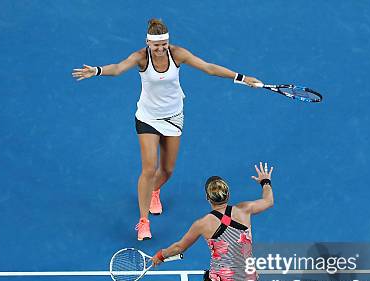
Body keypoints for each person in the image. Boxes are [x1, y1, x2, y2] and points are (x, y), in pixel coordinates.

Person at [73, 18, 261, 240]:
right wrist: (96, 71)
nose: (161, 49)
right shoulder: (140, 57)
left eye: (164, 44)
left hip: (173, 117)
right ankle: (143, 221)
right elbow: (117, 68)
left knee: (168, 170)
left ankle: (153, 191)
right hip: (148, 118)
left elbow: (208, 68)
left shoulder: (178, 54)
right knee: (149, 169)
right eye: (156, 45)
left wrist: (241, 78)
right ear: (148, 43)